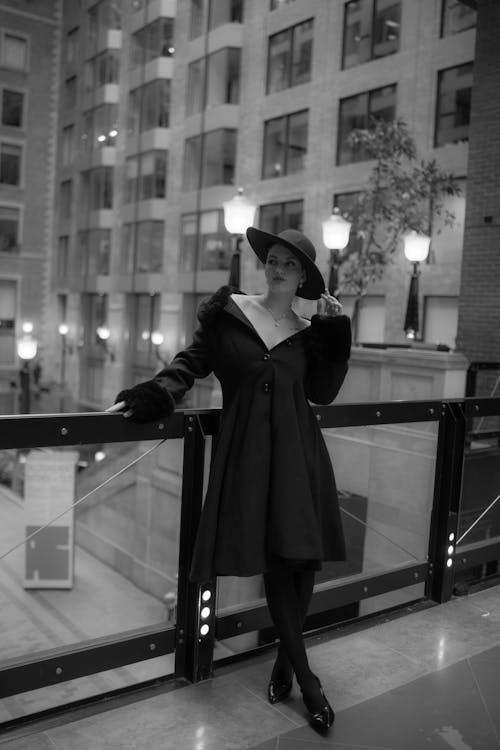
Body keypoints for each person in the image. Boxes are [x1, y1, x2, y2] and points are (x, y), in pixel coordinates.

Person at [113, 226, 351, 732]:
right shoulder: (230, 315)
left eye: (290, 263)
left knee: (301, 559)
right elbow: (190, 365)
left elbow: (325, 393)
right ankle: (308, 681)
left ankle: (287, 662)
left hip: (299, 455)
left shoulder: (310, 333)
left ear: (305, 277)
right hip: (246, 455)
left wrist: (336, 337)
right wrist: (156, 394)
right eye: (273, 259)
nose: (278, 268)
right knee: (275, 558)